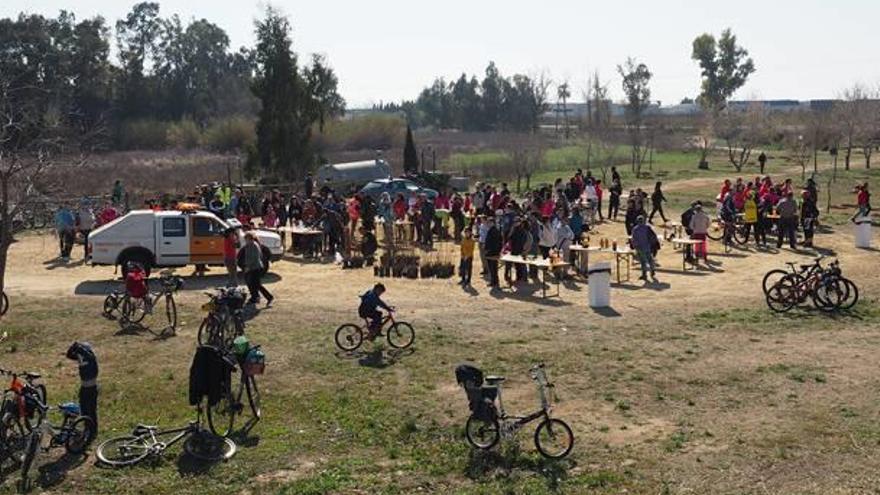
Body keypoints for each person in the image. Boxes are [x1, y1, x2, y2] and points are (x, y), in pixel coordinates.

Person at [66, 341, 98, 440]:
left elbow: (88, 355)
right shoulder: (82, 357)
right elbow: (69, 355)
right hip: (84, 388)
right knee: (84, 409)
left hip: (91, 388)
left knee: (91, 410)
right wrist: (73, 347)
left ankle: (93, 431)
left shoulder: (91, 358)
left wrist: (79, 347)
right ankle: (87, 428)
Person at [242, 233, 273, 307]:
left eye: (246, 239)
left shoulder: (253, 246)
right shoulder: (249, 246)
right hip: (253, 267)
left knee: (256, 284)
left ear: (250, 239)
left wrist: (248, 267)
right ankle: (255, 297)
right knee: (253, 284)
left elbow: (254, 258)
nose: (245, 241)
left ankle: (268, 297)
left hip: (255, 268)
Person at [631, 216, 658, 282]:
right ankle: (652, 270)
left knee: (643, 261)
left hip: (640, 247)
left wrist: (634, 246)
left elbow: (634, 239)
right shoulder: (647, 227)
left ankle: (644, 274)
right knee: (650, 259)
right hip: (647, 246)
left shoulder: (635, 229)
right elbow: (653, 236)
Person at [484, 216, 503, 288]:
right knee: (492, 268)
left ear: (492, 223)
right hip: (491, 252)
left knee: (493, 268)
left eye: (489, 222)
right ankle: (494, 281)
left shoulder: (494, 231)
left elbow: (497, 243)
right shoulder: (492, 230)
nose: (488, 224)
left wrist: (492, 250)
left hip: (493, 252)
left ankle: (494, 281)